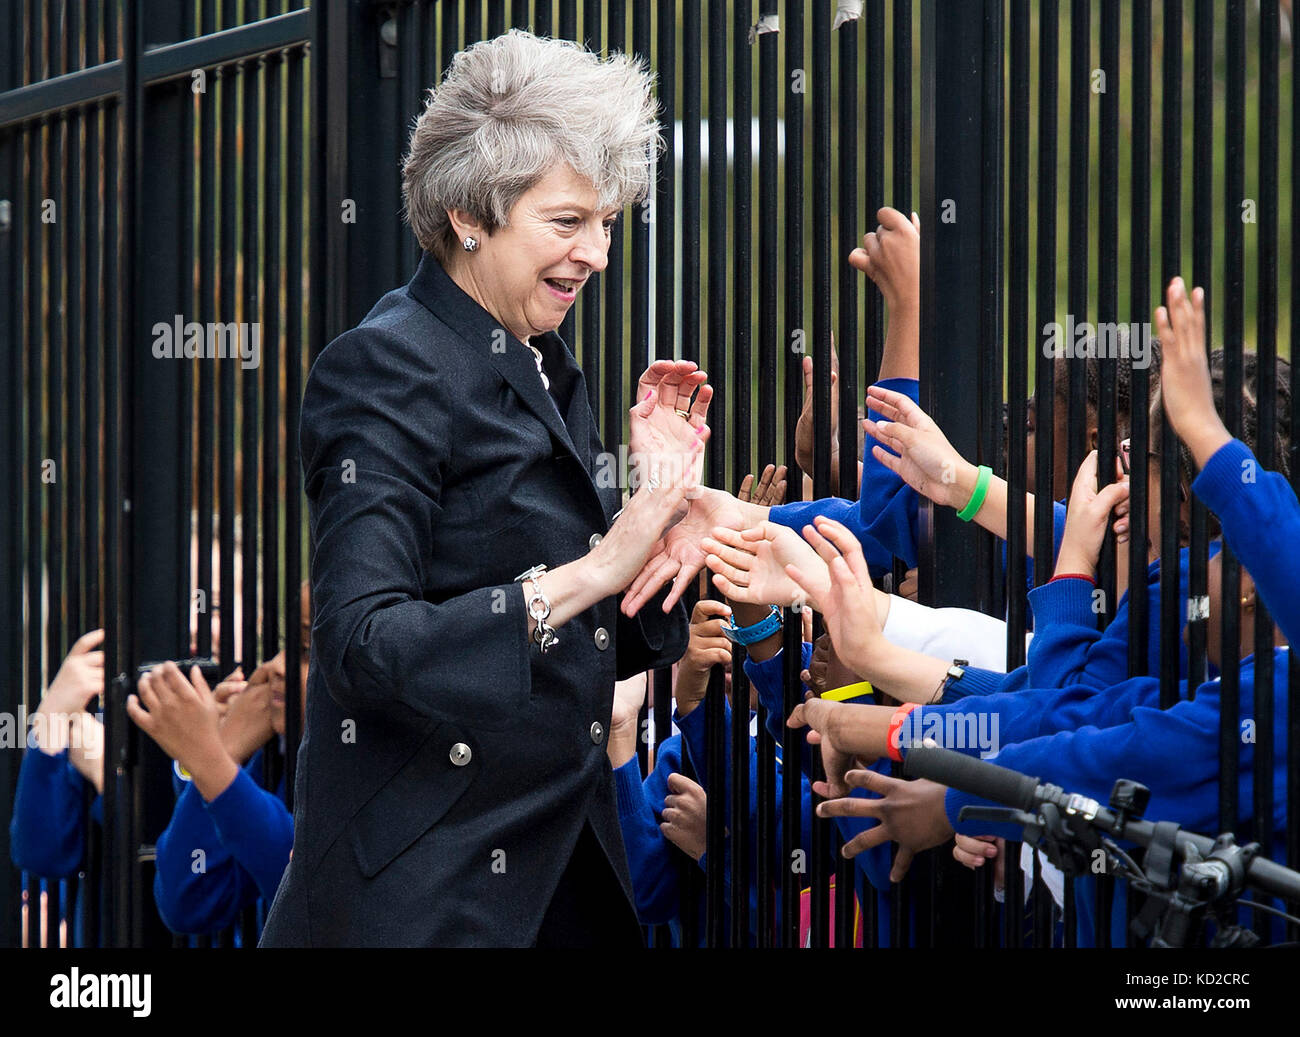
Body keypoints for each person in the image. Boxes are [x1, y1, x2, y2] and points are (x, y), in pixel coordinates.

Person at [259, 30, 705, 948]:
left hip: (555, 881)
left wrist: (663, 535)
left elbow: (551, 647)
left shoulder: (541, 360)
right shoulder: (384, 365)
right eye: (569, 221)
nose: (598, 253)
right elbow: (361, 643)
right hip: (424, 900)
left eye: (609, 222)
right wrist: (594, 568)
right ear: (469, 213)